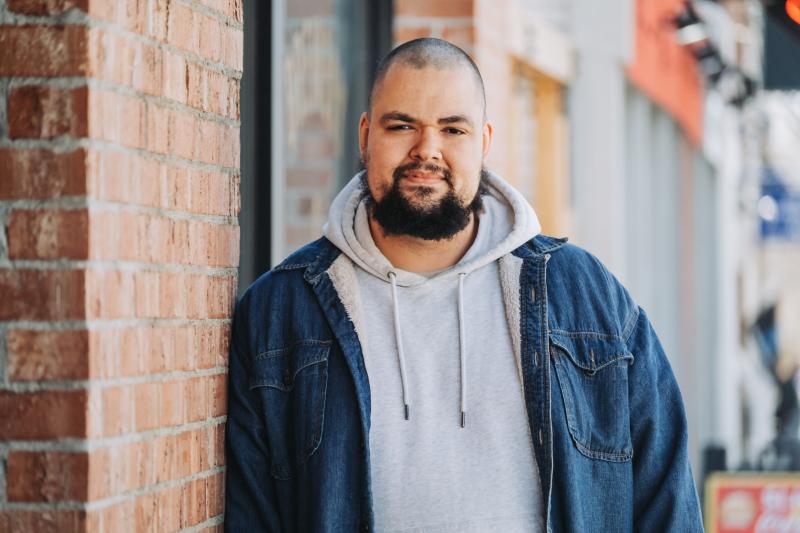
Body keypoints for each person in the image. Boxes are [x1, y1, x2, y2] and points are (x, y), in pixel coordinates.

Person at [225, 38, 704, 532]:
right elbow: (252, 514)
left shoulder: (586, 296)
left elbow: (665, 498)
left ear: (484, 142)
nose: (426, 149)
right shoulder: (281, 312)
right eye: (402, 125)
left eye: (452, 128)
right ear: (366, 135)